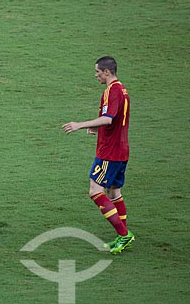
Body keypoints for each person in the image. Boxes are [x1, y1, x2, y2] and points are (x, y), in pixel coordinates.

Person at [62, 56, 135, 254]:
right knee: (114, 193)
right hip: (121, 149)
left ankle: (124, 235)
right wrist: (96, 129)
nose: (96, 76)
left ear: (107, 72)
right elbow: (116, 119)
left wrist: (80, 125)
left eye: (97, 72)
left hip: (109, 153)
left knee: (95, 191)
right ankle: (123, 235)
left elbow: (108, 119)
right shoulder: (123, 90)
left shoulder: (112, 91)